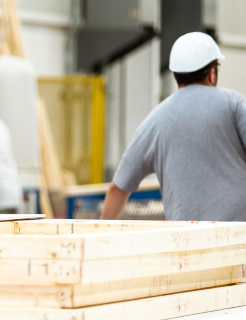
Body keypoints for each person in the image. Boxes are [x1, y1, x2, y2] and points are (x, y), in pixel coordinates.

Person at [100, 32, 246, 221]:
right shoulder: (234, 104)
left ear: (176, 75)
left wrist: (101, 236)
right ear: (212, 74)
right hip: (238, 241)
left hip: (185, 244)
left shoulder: (155, 121)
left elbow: (117, 189)